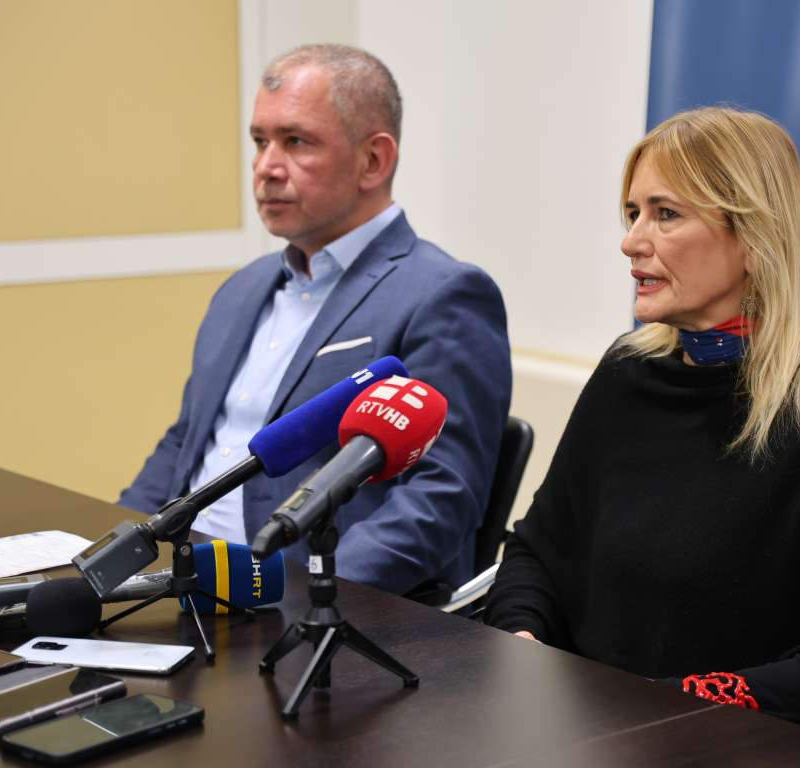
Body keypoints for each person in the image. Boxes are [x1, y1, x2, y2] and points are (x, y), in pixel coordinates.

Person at [485, 106, 800, 743]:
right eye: (632, 212)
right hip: (588, 734)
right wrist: (522, 639)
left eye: (666, 214)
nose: (631, 241)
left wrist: (676, 706)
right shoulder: (628, 371)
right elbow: (539, 551)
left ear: (755, 239)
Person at [119, 44, 511, 596]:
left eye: (296, 142)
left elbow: (440, 497)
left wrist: (299, 596)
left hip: (305, 603)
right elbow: (184, 444)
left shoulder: (444, 295)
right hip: (184, 584)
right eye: (260, 142)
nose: (266, 167)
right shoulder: (242, 289)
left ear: (373, 161)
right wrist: (113, 551)